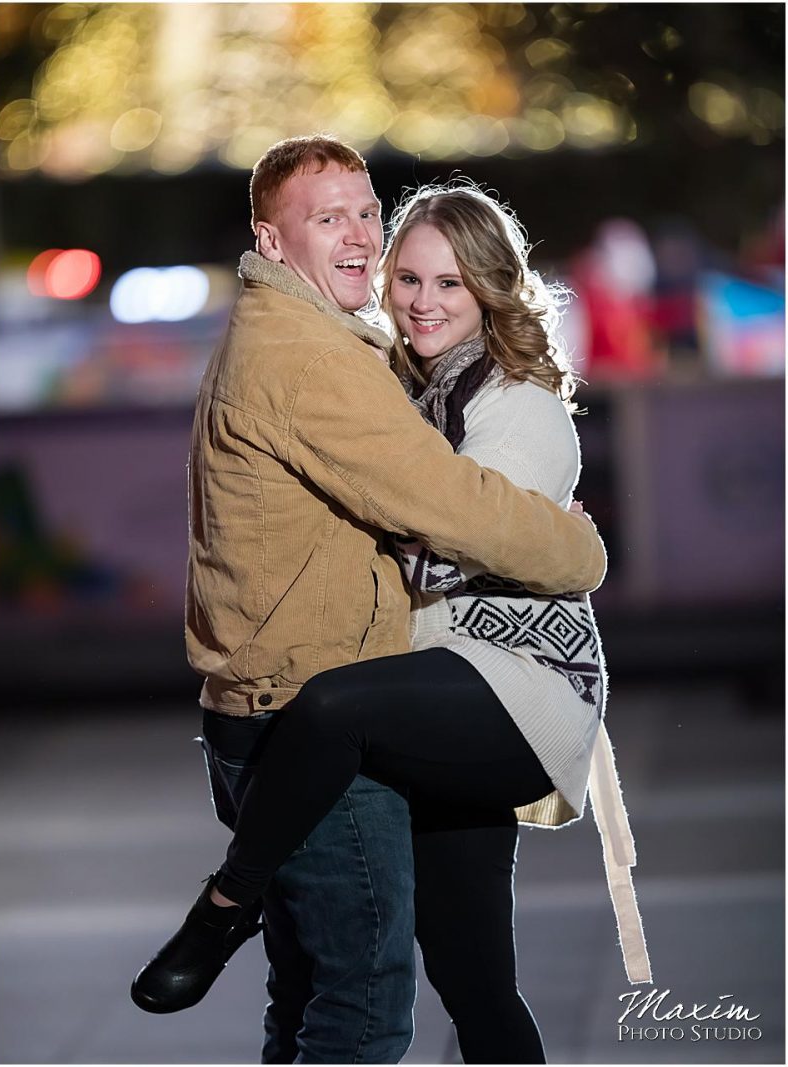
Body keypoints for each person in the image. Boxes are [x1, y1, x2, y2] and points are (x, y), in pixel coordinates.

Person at [136, 181, 650, 1061]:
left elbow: (437, 550)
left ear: (491, 291)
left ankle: (227, 904)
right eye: (407, 280)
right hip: (439, 691)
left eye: (449, 285)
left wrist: (371, 497)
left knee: (331, 708)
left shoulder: (513, 402)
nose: (421, 303)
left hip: (515, 691)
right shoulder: (403, 390)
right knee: (478, 984)